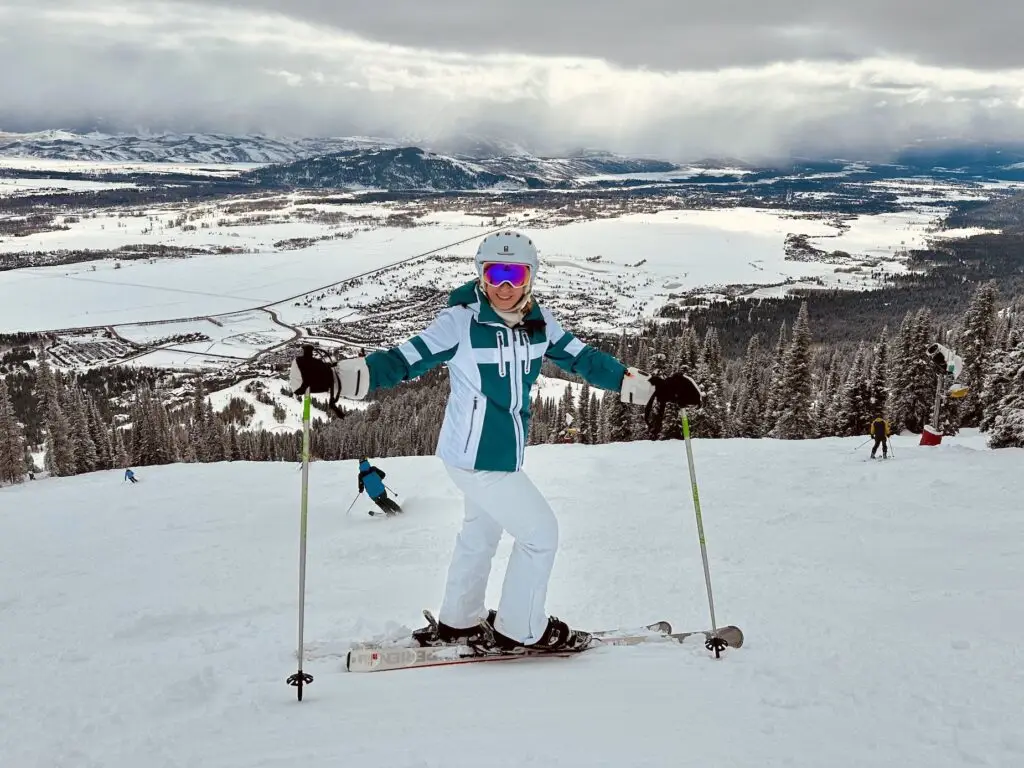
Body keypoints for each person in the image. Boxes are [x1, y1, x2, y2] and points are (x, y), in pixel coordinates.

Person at [289, 230, 701, 653]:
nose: (505, 286)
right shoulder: (461, 323)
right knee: (540, 534)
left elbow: (585, 359)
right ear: (481, 277)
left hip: (500, 455)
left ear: (530, 278)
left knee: (480, 532)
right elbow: (403, 360)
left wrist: (652, 388)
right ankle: (521, 628)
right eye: (495, 274)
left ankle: (459, 620)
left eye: (515, 274)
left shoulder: (539, 322)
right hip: (475, 457)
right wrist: (336, 377)